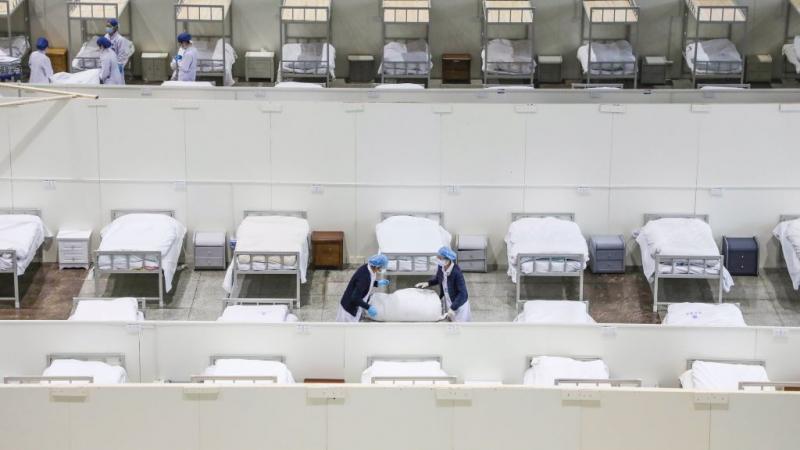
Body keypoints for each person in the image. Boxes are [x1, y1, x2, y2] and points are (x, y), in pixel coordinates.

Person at [416, 247, 470, 322]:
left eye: (439, 258)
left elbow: (463, 294)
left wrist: (453, 308)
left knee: (461, 327)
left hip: (460, 305)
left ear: (447, 259)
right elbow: (439, 279)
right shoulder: (441, 266)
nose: (437, 259)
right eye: (437, 257)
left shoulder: (456, 272)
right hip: (450, 299)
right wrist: (428, 283)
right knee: (452, 325)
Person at [337, 254, 391, 322]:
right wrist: (369, 307)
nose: (382, 269)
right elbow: (355, 298)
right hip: (348, 310)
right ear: (377, 266)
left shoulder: (368, 268)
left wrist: (377, 283)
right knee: (345, 331)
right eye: (382, 268)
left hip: (352, 303)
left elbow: (368, 283)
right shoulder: (364, 277)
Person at [104, 19, 134, 84]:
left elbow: (122, 55)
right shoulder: (106, 37)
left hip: (116, 67)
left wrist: (118, 66)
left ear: (116, 27)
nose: (108, 28)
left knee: (117, 85)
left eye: (110, 26)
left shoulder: (120, 40)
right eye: (107, 26)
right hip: (107, 66)